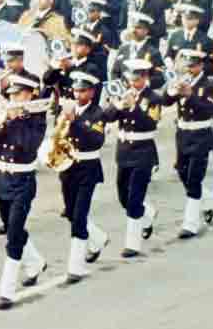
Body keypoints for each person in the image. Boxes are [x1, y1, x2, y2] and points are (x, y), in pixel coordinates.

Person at [0, 75, 47, 310]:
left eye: (19, 95)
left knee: (13, 234)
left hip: (22, 181)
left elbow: (28, 145)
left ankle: (6, 290)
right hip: (2, 180)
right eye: (12, 95)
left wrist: (16, 120)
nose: (14, 99)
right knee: (10, 226)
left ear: (30, 95)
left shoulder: (36, 119)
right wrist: (1, 123)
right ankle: (36, 262)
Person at [103, 59, 161, 258]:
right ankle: (147, 216)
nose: (133, 83)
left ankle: (132, 244)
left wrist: (134, 107)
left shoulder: (153, 98)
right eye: (131, 79)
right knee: (123, 197)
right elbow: (107, 117)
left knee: (135, 198)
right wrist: (119, 105)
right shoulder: (123, 93)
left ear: (145, 77)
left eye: (138, 79)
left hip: (143, 152)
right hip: (124, 151)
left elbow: (151, 123)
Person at [57, 72, 109, 283]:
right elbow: (58, 135)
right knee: (70, 213)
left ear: (92, 92)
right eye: (76, 90)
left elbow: (96, 139)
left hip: (88, 167)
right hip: (68, 167)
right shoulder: (68, 110)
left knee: (79, 217)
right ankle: (98, 239)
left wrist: (74, 121)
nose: (78, 94)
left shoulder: (98, 113)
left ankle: (76, 267)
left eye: (83, 91)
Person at [162, 50, 213, 239]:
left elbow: (209, 109)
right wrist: (171, 90)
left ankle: (191, 223)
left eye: (193, 66)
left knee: (193, 178)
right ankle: (208, 201)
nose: (189, 70)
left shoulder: (208, 85)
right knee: (183, 173)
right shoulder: (183, 80)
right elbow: (165, 102)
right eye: (187, 66)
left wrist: (190, 95)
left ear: (201, 65)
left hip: (200, 134)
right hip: (183, 134)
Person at [110, 12, 166, 91]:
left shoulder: (153, 52)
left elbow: (160, 78)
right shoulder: (123, 49)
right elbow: (115, 72)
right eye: (133, 27)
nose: (133, 30)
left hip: (142, 94)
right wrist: (118, 87)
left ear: (146, 31)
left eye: (138, 28)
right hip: (123, 92)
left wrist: (145, 83)